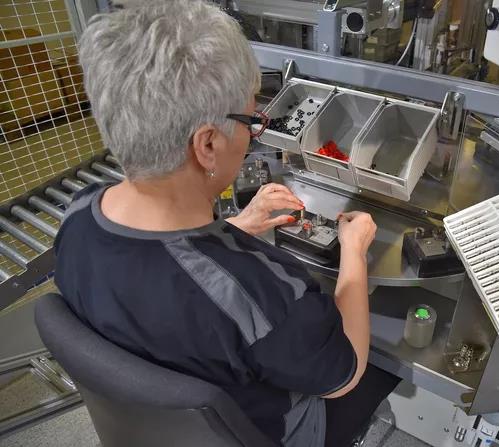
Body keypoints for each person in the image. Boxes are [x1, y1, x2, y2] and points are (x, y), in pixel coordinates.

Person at [54, 1, 399, 446]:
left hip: (156, 431)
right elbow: (344, 372)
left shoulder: (77, 216)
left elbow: (166, 273)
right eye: (251, 122)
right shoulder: (259, 292)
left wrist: (233, 227)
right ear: (208, 145)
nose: (253, 134)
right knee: (381, 369)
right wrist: (353, 251)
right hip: (272, 432)